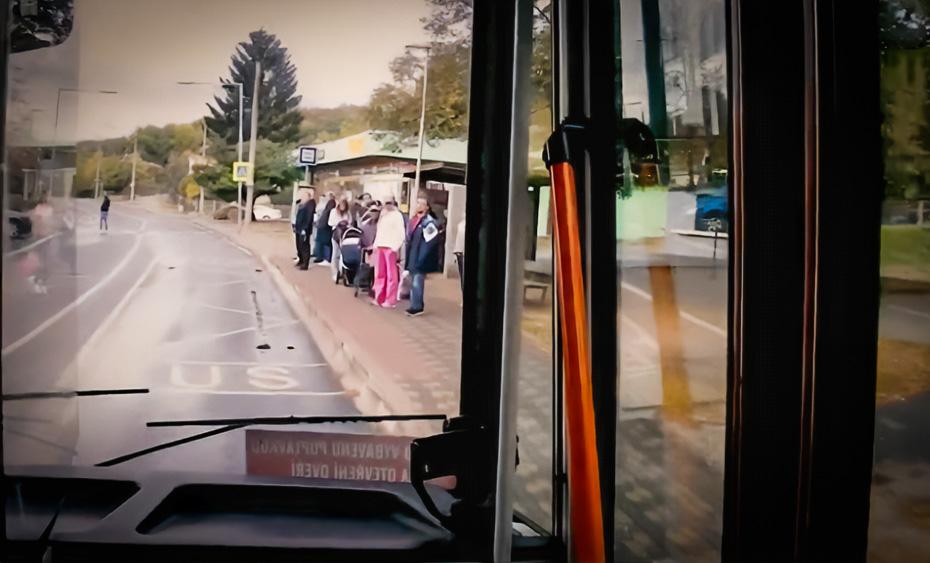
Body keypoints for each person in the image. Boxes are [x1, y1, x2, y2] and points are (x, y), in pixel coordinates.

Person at [404, 197, 442, 317]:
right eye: (417, 203)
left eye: (421, 204)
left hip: (420, 258)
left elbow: (430, 242)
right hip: (413, 256)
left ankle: (417, 307)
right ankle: (415, 304)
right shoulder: (415, 220)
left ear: (427, 207)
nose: (418, 206)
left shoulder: (428, 222)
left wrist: (422, 258)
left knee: (417, 282)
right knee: (413, 282)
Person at [371, 196, 406, 308]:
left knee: (391, 275)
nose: (387, 205)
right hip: (380, 246)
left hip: (390, 247)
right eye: (385, 202)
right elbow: (379, 230)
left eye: (389, 202)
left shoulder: (397, 215)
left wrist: (395, 247)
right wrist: (375, 245)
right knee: (380, 273)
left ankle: (390, 300)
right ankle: (379, 297)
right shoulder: (383, 214)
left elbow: (401, 234)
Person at [328, 196, 353, 281]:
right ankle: (335, 272)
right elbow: (330, 222)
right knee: (335, 254)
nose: (343, 206)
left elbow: (350, 222)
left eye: (344, 204)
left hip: (345, 235)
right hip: (336, 234)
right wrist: (339, 223)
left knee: (343, 254)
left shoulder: (348, 213)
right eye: (341, 204)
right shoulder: (333, 212)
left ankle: (343, 271)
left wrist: (346, 224)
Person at [294, 190, 315, 270]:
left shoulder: (309, 205)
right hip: (299, 228)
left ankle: (305, 264)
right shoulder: (302, 205)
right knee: (299, 245)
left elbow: (308, 218)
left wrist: (305, 228)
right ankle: (301, 260)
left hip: (304, 229)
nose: (302, 198)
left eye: (304, 196)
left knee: (304, 246)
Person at [313, 192, 335, 264]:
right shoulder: (328, 203)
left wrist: (322, 224)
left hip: (325, 225)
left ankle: (324, 257)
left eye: (327, 196)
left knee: (324, 242)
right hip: (323, 224)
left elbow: (327, 214)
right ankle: (321, 256)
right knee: (321, 241)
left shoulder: (331, 203)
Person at [453, 216, 466, 294]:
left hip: (464, 253)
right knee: (462, 277)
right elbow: (458, 239)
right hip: (459, 253)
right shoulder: (460, 225)